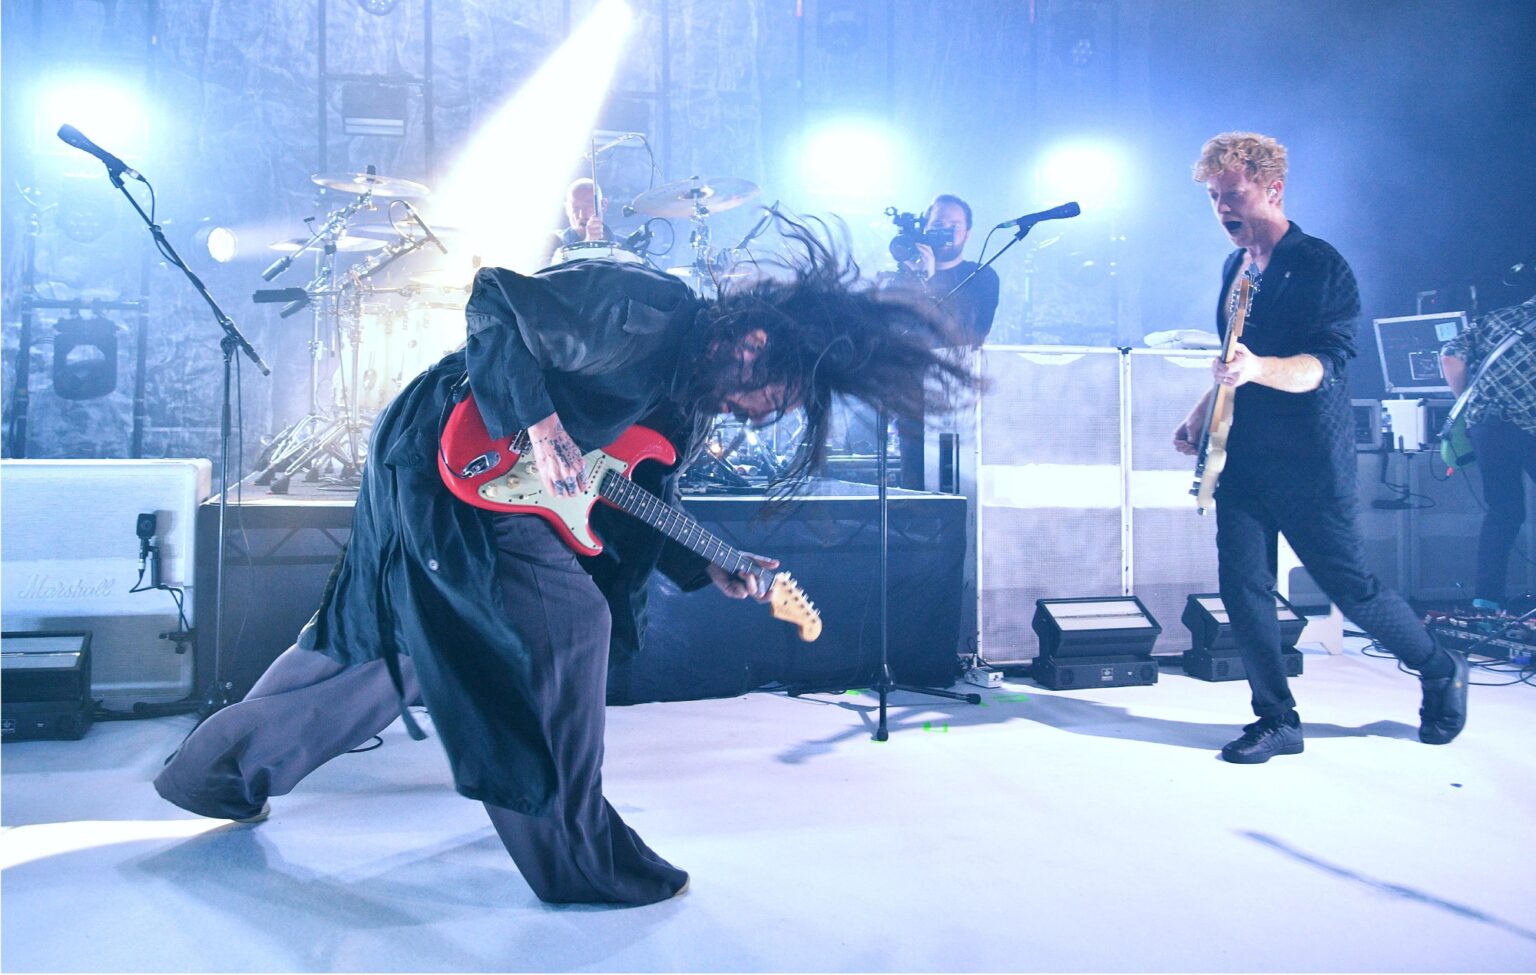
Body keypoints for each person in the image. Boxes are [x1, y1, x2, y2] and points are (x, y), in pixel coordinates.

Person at [154, 214, 971, 906]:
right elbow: (496, 304)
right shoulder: (652, 309)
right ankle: (575, 852)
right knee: (569, 624)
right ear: (755, 344)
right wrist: (542, 428)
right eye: (775, 400)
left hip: (466, 473)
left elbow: (632, 490)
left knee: (385, 637)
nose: (760, 421)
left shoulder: (685, 402)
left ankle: (215, 772)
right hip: (450, 449)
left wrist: (705, 564)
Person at [1171, 132, 1468, 764]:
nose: (1223, 208)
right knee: (1242, 587)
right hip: (1242, 454)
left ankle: (1438, 666)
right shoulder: (1235, 268)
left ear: (1272, 189)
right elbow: (1233, 359)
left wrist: (1259, 370)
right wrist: (1203, 414)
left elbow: (1323, 366)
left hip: (1309, 456)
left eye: (1234, 194)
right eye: (1215, 198)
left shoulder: (1320, 265)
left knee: (1351, 587)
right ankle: (1277, 719)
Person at [892, 194, 1000, 487]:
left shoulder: (981, 276)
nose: (948, 230)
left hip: (959, 396)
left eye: (955, 224)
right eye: (939, 224)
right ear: (925, 228)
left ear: (968, 232)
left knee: (959, 484)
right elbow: (899, 336)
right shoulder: (903, 280)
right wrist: (918, 278)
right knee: (916, 487)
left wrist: (930, 281)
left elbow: (969, 332)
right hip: (912, 398)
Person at [1440, 292, 1536, 613]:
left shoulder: (1495, 319)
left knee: (1503, 514)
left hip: (1488, 428)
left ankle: (1486, 603)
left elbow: (1450, 358)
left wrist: (1468, 403)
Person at [542, 177, 613, 266]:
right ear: (567, 210)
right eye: (575, 208)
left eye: (588, 205)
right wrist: (588, 244)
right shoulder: (553, 242)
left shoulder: (624, 247)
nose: (581, 215)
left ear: (603, 205)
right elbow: (547, 273)